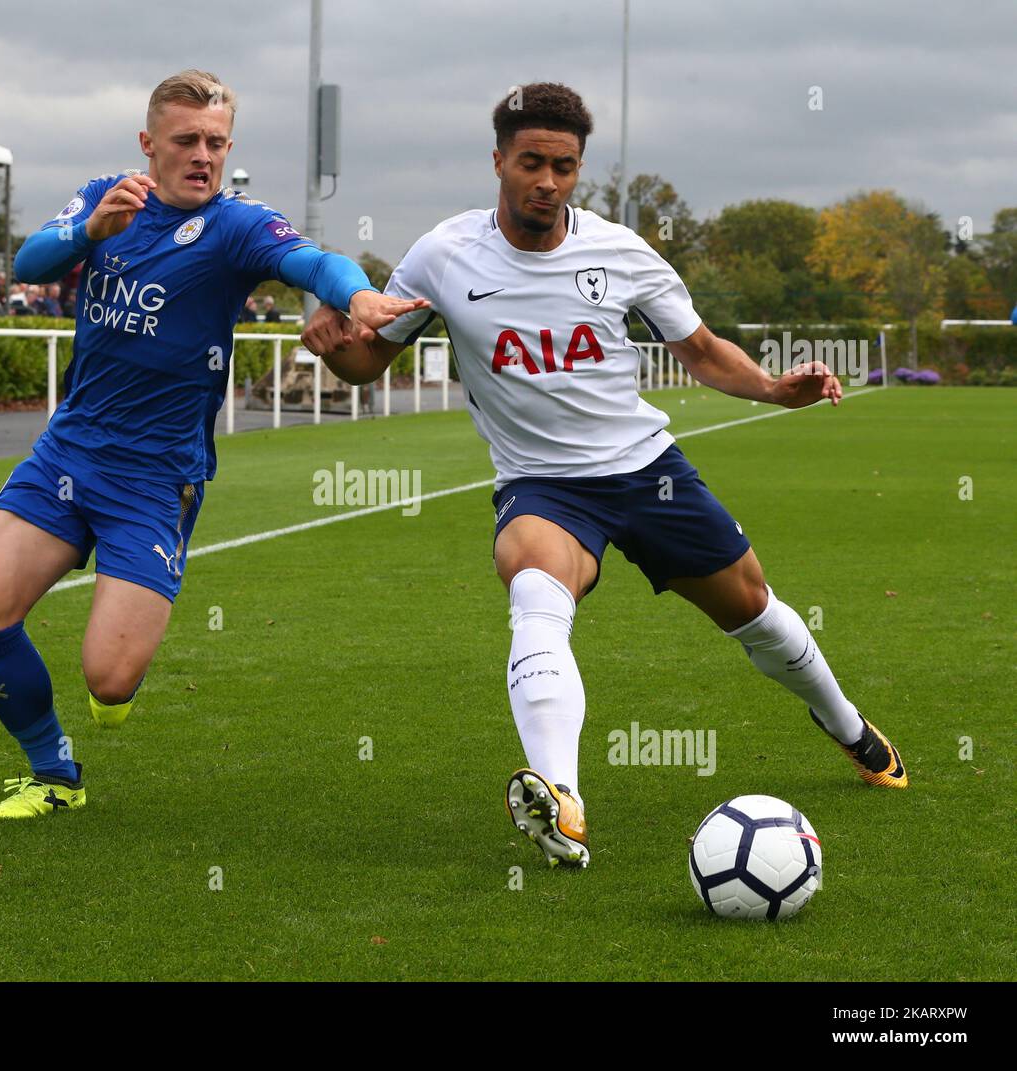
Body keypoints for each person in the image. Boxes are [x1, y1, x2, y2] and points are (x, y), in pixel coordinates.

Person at [302, 82, 907, 870]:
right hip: (542, 486)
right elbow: (366, 362)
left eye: (563, 165)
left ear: (578, 168)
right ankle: (561, 800)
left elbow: (699, 347)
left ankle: (849, 727)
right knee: (533, 591)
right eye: (531, 163)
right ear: (499, 162)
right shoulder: (444, 254)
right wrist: (329, 335)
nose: (547, 181)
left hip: (646, 471)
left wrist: (770, 386)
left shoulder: (621, 252)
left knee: (754, 611)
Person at [0, 68, 423, 820]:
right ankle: (54, 771)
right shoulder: (110, 196)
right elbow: (28, 261)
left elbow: (312, 261)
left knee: (108, 681)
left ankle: (112, 674)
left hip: (156, 476)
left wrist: (357, 294)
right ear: (149, 144)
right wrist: (88, 232)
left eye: (216, 141)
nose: (203, 154)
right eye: (186, 140)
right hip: (69, 450)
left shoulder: (236, 226)